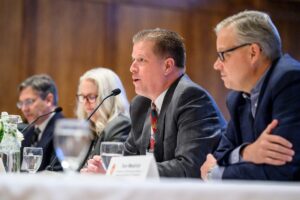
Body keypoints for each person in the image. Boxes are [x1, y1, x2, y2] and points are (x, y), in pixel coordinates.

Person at [82, 28, 226, 178]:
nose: (132, 68)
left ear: (168, 66)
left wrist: (118, 173)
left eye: (141, 60)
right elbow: (128, 159)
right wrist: (107, 168)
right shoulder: (141, 105)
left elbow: (189, 167)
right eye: (133, 60)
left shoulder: (191, 98)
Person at [200, 10, 300, 181]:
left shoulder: (290, 81)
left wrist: (216, 174)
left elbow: (283, 170)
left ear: (253, 52)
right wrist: (247, 152)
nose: (216, 65)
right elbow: (219, 155)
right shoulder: (238, 98)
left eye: (223, 55)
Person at [76, 67, 131, 170]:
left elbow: (110, 168)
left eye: (91, 97)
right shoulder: (91, 126)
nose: (85, 102)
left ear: (108, 97)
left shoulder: (120, 125)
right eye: (82, 97)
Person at [18, 74, 63, 171]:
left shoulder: (63, 132)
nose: (24, 109)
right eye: (21, 103)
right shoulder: (28, 132)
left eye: (29, 102)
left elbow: (57, 173)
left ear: (48, 100)